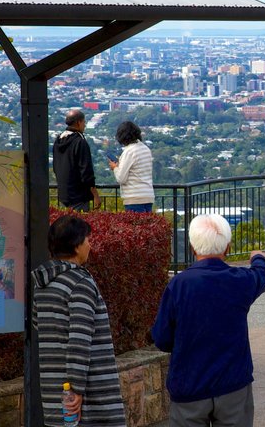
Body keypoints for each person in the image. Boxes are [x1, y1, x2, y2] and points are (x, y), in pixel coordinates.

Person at [151, 214, 265, 426]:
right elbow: (264, 273)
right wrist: (258, 258)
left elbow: (162, 338)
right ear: (227, 247)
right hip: (232, 383)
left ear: (192, 247)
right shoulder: (239, 281)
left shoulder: (179, 285)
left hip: (189, 385)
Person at [31, 215, 126, 426]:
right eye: (86, 240)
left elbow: (39, 324)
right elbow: (79, 340)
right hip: (89, 400)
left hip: (53, 391)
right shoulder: (80, 283)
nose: (89, 245)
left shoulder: (43, 284)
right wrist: (76, 389)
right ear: (76, 246)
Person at [52, 109, 100, 211]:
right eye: (84, 122)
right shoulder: (79, 142)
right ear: (78, 122)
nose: (85, 125)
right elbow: (86, 171)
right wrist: (95, 195)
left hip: (63, 194)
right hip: (79, 196)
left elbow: (55, 166)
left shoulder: (58, 140)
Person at [109, 121, 155, 213]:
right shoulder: (145, 149)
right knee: (147, 226)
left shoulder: (129, 151)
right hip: (148, 195)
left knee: (136, 226)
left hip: (134, 197)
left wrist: (115, 167)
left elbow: (121, 178)